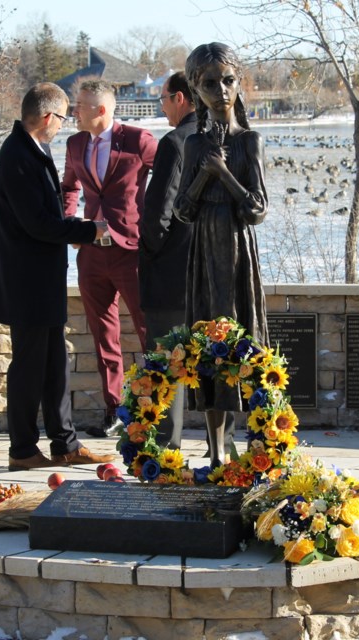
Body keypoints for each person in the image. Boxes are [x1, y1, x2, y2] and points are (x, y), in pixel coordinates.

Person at [0, 82, 114, 471]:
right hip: (26, 281)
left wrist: (76, 229)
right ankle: (22, 449)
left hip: (42, 278)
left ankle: (65, 443)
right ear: (46, 117)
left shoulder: (33, 150)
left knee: (54, 362)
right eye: (62, 117)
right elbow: (38, 224)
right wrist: (89, 230)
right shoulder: (18, 157)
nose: (64, 124)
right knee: (28, 367)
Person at [174, 42, 268, 468]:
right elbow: (183, 209)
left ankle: (262, 447)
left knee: (246, 339)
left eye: (228, 80)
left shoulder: (249, 141)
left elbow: (257, 208)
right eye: (210, 83)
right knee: (208, 343)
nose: (221, 90)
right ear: (196, 89)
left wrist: (224, 174)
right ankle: (214, 453)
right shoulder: (192, 145)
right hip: (202, 254)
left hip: (237, 250)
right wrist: (202, 175)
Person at [61, 79, 157, 438]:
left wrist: (154, 224)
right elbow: (69, 187)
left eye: (80, 105)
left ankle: (152, 410)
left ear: (101, 110)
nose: (74, 111)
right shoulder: (75, 144)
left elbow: (170, 178)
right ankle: (114, 410)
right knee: (104, 335)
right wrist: (71, 225)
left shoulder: (138, 140)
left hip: (131, 251)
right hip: (91, 255)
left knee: (147, 330)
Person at [138, 72, 196, 448]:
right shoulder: (222, 138)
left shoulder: (175, 143)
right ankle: (218, 448)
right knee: (209, 363)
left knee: (168, 368)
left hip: (171, 275)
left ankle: (165, 455)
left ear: (179, 98)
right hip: (209, 273)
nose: (161, 107)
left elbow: (157, 212)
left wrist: (149, 250)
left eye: (162, 99)